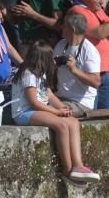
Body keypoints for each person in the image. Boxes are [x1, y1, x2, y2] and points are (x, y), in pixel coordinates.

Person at [10, 40, 100, 183]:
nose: (53, 60)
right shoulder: (28, 74)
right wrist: (56, 113)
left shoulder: (40, 73)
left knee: (73, 122)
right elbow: (33, 102)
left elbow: (49, 95)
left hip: (37, 109)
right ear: (43, 59)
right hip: (24, 112)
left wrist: (62, 108)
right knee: (62, 126)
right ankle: (68, 169)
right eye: (50, 57)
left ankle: (78, 165)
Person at [54, 11, 101, 115]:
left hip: (80, 103)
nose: (61, 27)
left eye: (65, 25)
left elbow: (96, 82)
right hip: (60, 97)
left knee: (52, 111)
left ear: (73, 29)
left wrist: (75, 70)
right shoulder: (61, 45)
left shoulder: (89, 50)